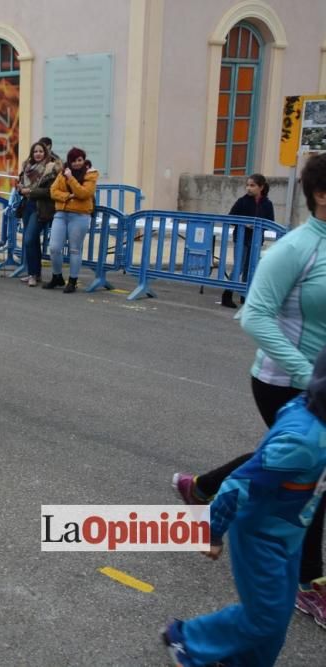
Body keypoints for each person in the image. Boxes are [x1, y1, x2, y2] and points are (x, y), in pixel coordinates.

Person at [173, 153, 326, 629]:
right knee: (312, 473)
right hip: (285, 380)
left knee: (288, 458)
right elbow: (255, 314)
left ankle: (201, 487)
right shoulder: (295, 248)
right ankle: (309, 582)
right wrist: (307, 374)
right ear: (321, 195)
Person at [163, 347, 326, 667]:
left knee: (275, 616)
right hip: (260, 537)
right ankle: (187, 640)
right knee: (264, 616)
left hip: (289, 533)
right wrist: (212, 530)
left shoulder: (309, 413)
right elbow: (239, 484)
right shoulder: (303, 440)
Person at [43, 147, 98, 293]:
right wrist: (68, 196)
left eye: (80, 160)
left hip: (80, 215)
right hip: (61, 214)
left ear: (84, 159)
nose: (77, 163)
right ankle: (57, 277)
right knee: (54, 248)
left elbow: (84, 193)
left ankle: (72, 281)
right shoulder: (63, 172)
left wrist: (71, 179)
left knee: (75, 249)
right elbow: (53, 191)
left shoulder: (91, 173)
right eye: (73, 160)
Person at [221, 174, 274, 309]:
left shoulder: (267, 204)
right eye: (247, 185)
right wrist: (245, 224)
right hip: (241, 238)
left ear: (261, 187)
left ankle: (245, 296)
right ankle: (227, 295)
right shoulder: (242, 201)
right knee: (238, 266)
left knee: (250, 268)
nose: (248, 188)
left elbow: (270, 223)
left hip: (256, 240)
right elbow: (231, 218)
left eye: (252, 185)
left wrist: (259, 225)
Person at [17, 141, 59, 286]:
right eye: (35, 151)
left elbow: (50, 191)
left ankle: (33, 274)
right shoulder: (27, 168)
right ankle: (34, 273)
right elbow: (20, 185)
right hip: (27, 206)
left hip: (41, 208)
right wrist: (20, 189)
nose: (38, 154)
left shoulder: (51, 169)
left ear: (45, 153)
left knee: (29, 239)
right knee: (32, 241)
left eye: (41, 151)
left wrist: (31, 191)